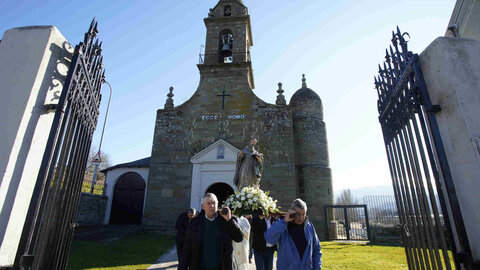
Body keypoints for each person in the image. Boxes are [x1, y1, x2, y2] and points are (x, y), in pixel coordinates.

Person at [179, 193, 243, 270]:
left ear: (218, 203)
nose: (212, 206)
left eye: (214, 203)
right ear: (203, 206)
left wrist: (229, 220)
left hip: (223, 266)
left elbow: (239, 238)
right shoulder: (195, 223)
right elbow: (187, 248)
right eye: (208, 203)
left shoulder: (226, 221)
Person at [264, 199, 322, 270]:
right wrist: (284, 221)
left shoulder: (309, 227)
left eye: (303, 214)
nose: (301, 218)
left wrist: (317, 268)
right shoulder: (281, 224)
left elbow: (316, 250)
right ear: (291, 211)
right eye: (298, 214)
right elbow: (269, 239)